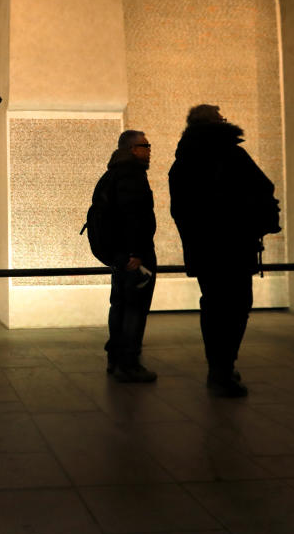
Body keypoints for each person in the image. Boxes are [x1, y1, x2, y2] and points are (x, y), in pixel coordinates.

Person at [168, 105, 281, 397]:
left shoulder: (182, 163)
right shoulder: (231, 154)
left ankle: (218, 368)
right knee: (236, 307)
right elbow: (263, 189)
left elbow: (181, 212)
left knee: (215, 307)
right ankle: (223, 368)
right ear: (215, 124)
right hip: (235, 247)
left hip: (205, 251)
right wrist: (256, 222)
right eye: (221, 118)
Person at [100, 130, 158, 383]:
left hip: (119, 255)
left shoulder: (113, 173)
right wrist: (135, 253)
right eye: (146, 145)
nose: (149, 150)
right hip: (134, 256)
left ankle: (115, 357)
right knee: (135, 308)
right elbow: (133, 216)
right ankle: (129, 363)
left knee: (120, 304)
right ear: (133, 149)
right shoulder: (131, 175)